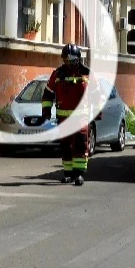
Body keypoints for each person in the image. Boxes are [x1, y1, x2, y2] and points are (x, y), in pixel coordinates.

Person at [41, 44, 102, 186]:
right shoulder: (57, 74)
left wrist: (97, 111)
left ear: (77, 58)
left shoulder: (87, 74)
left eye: (71, 58)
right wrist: (46, 111)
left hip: (81, 118)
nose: (68, 61)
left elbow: (96, 94)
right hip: (63, 118)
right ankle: (68, 173)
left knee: (81, 145)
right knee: (66, 147)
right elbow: (48, 94)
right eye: (66, 59)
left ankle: (79, 174)